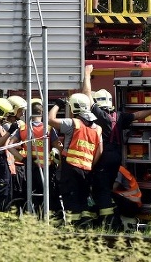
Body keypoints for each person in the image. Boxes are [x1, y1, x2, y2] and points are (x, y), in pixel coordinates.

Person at [84, 64, 151, 229]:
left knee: (101, 190)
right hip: (117, 157)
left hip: (104, 155)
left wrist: (87, 76)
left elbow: (88, 97)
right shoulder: (119, 116)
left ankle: (110, 223)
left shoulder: (101, 117)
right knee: (107, 188)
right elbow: (137, 115)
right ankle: (111, 220)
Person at [48, 93, 103, 228]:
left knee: (71, 197)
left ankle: (74, 227)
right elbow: (99, 151)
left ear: (73, 108)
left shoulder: (73, 123)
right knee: (83, 198)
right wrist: (89, 164)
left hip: (70, 167)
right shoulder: (97, 128)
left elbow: (50, 120)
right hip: (87, 169)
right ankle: (85, 225)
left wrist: (58, 105)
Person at [20, 98, 63, 217]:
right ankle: (53, 219)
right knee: (50, 195)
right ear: (42, 112)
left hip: (30, 168)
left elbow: (9, 145)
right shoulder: (48, 129)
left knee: (31, 194)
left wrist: (23, 159)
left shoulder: (23, 129)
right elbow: (58, 147)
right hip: (47, 169)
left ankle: (33, 219)